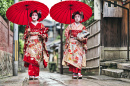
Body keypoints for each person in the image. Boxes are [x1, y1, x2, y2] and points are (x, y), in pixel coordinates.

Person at [23, 10, 49, 80]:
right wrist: (28, 33)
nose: (34, 16)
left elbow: (45, 35)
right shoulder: (28, 25)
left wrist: (43, 36)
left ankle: (36, 74)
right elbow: (25, 36)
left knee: (37, 59)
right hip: (31, 43)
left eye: (35, 15)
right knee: (31, 58)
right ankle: (31, 74)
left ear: (38, 17)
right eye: (33, 15)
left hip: (38, 43)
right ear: (31, 16)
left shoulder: (41, 25)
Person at [62, 11, 88, 79]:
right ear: (74, 17)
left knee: (79, 57)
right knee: (73, 58)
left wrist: (83, 39)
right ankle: (74, 73)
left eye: (78, 16)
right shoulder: (70, 26)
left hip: (79, 43)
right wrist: (68, 33)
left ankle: (79, 72)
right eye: (76, 16)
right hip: (72, 43)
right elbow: (66, 34)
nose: (77, 18)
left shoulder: (82, 27)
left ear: (80, 18)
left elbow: (85, 35)